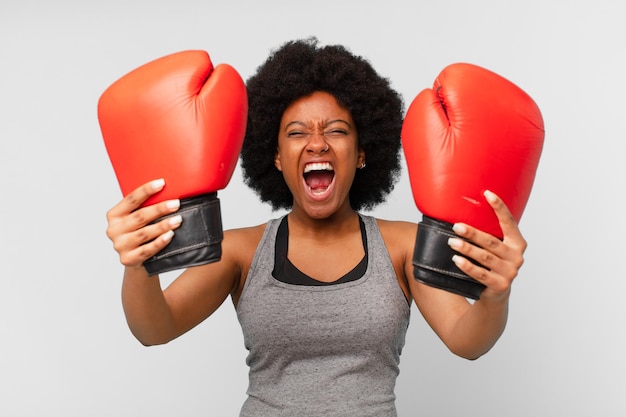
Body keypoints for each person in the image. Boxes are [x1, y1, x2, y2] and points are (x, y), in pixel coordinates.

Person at [105, 38, 527, 416]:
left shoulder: (402, 245)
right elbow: (153, 329)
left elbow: (466, 341)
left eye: (337, 130)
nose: (318, 142)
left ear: (362, 154)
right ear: (275, 156)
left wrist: (495, 295)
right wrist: (137, 261)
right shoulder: (241, 251)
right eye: (296, 132)